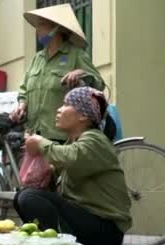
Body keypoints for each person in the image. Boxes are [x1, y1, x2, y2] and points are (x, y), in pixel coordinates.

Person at [13, 87, 132, 245]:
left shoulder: (95, 140)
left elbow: (71, 156)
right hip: (90, 224)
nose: (59, 109)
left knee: (29, 197)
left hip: (106, 230)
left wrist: (40, 143)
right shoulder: (75, 142)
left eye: (66, 105)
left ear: (83, 116)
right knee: (23, 196)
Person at [10, 4, 105, 143]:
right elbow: (24, 89)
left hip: (62, 138)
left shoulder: (76, 55)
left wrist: (81, 73)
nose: (38, 30)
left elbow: (99, 85)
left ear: (57, 28)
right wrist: (22, 105)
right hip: (33, 134)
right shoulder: (37, 58)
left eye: (42, 24)